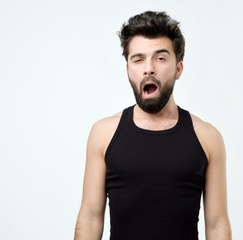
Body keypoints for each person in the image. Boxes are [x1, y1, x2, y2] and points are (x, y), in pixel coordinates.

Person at [74, 11, 231, 240]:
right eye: (138, 59)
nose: (149, 68)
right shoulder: (103, 134)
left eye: (160, 58)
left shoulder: (207, 138)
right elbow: (90, 218)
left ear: (178, 69)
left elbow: (217, 225)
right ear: (128, 70)